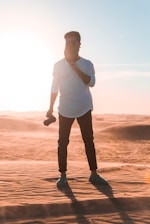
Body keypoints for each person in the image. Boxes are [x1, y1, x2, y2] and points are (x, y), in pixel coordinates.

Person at [46, 31, 107, 187]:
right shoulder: (58, 65)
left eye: (74, 42)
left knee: (88, 141)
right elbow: (54, 87)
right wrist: (50, 108)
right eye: (68, 42)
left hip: (84, 107)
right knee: (62, 142)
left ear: (79, 44)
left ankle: (94, 174)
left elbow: (91, 82)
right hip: (65, 109)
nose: (71, 44)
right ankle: (63, 176)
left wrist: (75, 67)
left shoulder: (87, 64)